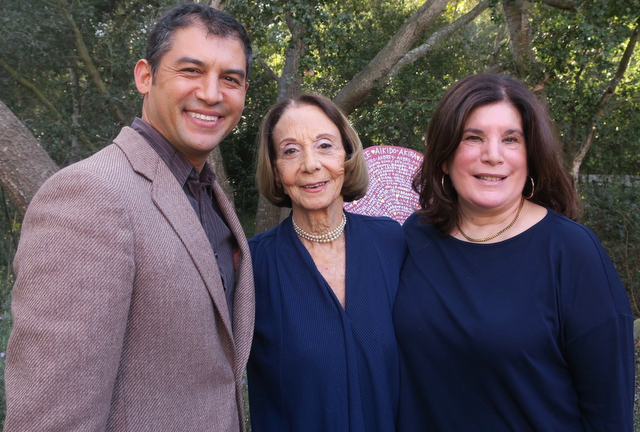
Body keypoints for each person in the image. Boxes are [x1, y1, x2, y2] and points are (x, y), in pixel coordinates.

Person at [4, 4, 254, 431]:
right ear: (145, 76)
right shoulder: (88, 195)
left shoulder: (208, 194)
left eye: (230, 79)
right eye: (191, 70)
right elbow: (53, 418)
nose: (212, 93)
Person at [394, 73, 635, 431]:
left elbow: (609, 412)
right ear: (444, 156)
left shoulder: (572, 251)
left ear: (530, 155)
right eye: (473, 137)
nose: (493, 156)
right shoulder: (416, 235)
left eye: (511, 139)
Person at [248, 93, 405, 431]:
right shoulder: (252, 265)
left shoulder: (392, 242)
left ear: (346, 155)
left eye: (324, 146)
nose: (310, 164)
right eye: (291, 151)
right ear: (276, 170)